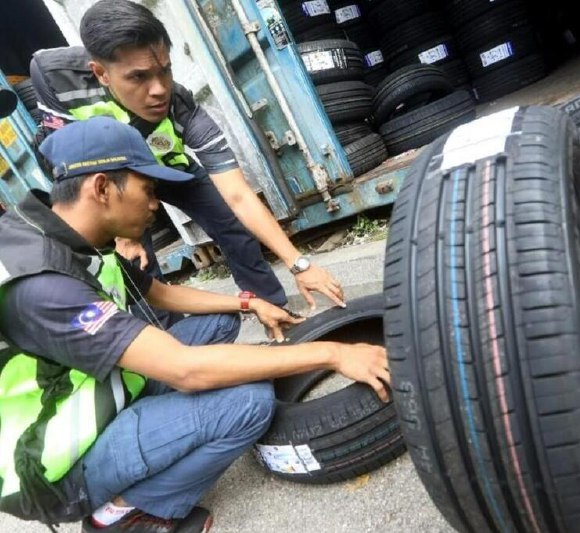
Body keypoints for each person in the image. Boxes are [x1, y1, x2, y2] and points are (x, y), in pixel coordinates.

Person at [0, 117, 390, 532]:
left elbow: (161, 294)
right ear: (101, 188)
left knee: (218, 321)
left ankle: (154, 437)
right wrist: (334, 352)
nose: (155, 205)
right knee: (249, 404)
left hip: (99, 391)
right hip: (54, 466)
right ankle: (124, 515)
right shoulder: (44, 284)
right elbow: (185, 370)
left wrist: (247, 302)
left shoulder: (75, 237)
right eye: (147, 191)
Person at [29, 0, 345, 315]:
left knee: (233, 227)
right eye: (138, 78)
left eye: (164, 70)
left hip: (169, 167)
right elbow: (67, 164)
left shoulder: (181, 107)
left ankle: (275, 313)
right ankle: (169, 340)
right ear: (101, 73)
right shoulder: (54, 76)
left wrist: (299, 264)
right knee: (135, 258)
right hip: (110, 176)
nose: (158, 90)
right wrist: (118, 233)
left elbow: (238, 195)